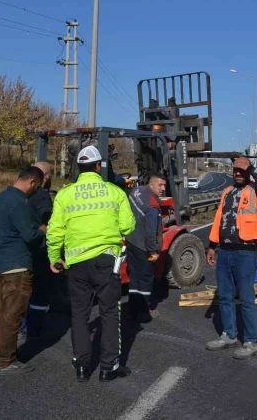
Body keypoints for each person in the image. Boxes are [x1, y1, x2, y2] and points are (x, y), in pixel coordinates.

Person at [46, 145, 136, 383]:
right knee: (108, 313)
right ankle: (109, 367)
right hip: (106, 262)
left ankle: (82, 367)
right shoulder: (114, 192)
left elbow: (55, 231)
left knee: (79, 315)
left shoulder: (65, 194)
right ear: (98, 167)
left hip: (76, 264)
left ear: (79, 167)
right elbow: (128, 226)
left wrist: (55, 257)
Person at [205, 156, 257, 360]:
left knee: (246, 298)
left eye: (242, 171)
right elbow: (219, 219)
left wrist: (251, 168)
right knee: (225, 296)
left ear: (248, 172)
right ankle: (229, 335)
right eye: (235, 170)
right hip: (224, 251)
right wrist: (212, 246)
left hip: (245, 252)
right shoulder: (227, 192)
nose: (237, 173)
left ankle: (251, 341)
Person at [0, 166, 47, 375]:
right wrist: (43, 230)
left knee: (5, 313)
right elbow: (30, 234)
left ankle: (7, 355)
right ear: (31, 182)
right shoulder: (21, 202)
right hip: (17, 265)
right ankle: (5, 361)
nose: (36, 190)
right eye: (37, 187)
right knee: (13, 315)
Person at [126, 174, 166, 322]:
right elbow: (151, 233)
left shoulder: (136, 191)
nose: (163, 188)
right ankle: (143, 310)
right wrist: (154, 251)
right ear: (151, 184)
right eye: (160, 185)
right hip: (144, 248)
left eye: (164, 185)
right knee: (146, 278)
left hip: (131, 241)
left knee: (134, 276)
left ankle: (132, 307)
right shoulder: (153, 206)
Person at [25, 161, 54, 340]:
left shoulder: (20, 194)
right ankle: (35, 329)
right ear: (46, 177)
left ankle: (25, 323)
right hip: (41, 248)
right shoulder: (43, 196)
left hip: (24, 249)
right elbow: (48, 220)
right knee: (41, 290)